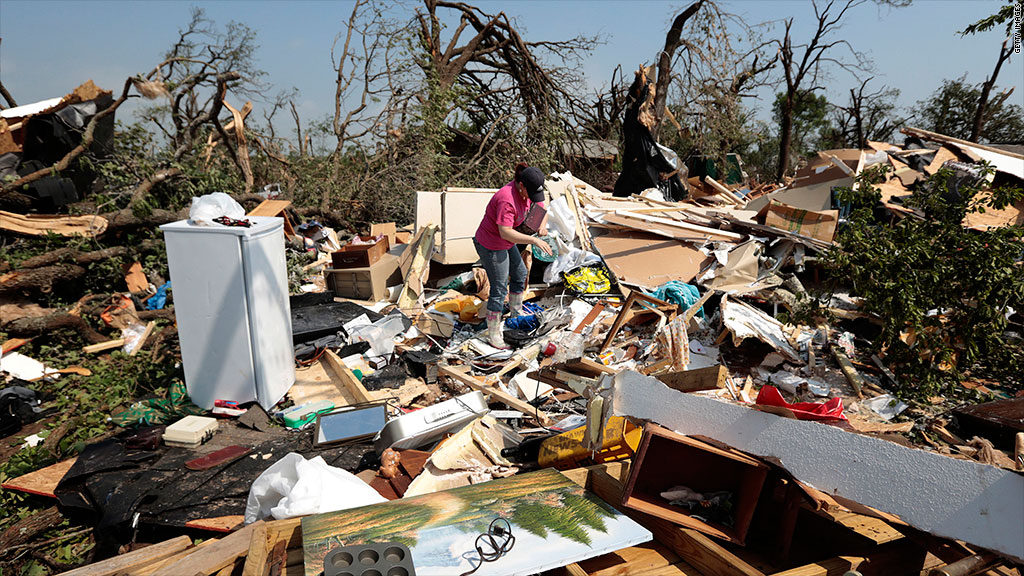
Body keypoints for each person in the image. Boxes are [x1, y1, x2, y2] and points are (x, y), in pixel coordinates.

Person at [474, 163, 553, 348]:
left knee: (520, 274)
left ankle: (516, 315)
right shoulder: (506, 198)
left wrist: (542, 225)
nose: (532, 198)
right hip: (491, 244)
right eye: (530, 193)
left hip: (508, 242)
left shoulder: (530, 192)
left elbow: (543, 211)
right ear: (521, 185)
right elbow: (505, 232)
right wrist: (534, 241)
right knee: (499, 288)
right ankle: (493, 334)